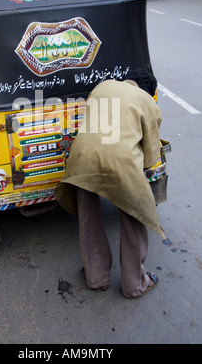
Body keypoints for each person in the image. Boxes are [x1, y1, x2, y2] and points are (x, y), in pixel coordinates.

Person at [54, 69, 165, 299]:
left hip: (82, 159)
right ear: (149, 90)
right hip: (121, 163)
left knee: (88, 217)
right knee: (135, 215)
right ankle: (134, 284)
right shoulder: (147, 101)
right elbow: (151, 154)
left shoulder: (102, 87)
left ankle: (96, 277)